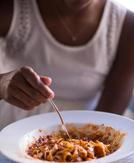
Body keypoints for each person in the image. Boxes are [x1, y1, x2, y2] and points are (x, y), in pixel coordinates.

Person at [0, 0, 134, 129]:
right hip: (10, 126)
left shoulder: (126, 25)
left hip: (89, 127)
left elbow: (109, 117)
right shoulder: (10, 8)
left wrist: (77, 148)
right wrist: (3, 84)